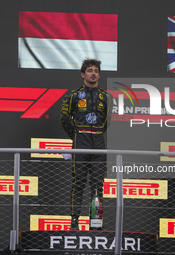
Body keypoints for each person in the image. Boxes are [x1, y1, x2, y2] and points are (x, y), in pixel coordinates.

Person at [59, 59, 113, 230]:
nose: (93, 73)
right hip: (80, 140)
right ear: (83, 74)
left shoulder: (106, 96)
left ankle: (95, 222)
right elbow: (64, 119)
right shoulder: (73, 95)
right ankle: (74, 221)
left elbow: (107, 122)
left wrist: (93, 133)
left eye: (96, 70)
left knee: (97, 183)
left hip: (98, 141)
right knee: (79, 181)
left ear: (99, 74)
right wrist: (75, 137)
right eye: (89, 70)